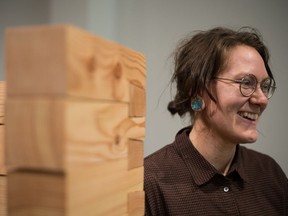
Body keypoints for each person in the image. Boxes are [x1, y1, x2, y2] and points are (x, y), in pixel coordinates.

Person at [144, 27, 288, 215]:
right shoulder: (151, 183)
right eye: (246, 83)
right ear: (197, 90)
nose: (262, 99)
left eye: (265, 86)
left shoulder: (270, 173)